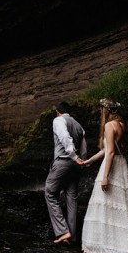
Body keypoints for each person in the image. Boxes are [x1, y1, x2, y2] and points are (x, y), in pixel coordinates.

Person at [78, 98, 128, 253]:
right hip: (121, 165)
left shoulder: (108, 125)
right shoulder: (120, 124)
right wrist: (90, 160)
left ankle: (108, 245)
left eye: (102, 110)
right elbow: (109, 149)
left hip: (112, 167)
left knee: (105, 203)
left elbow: (110, 152)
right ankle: (119, 242)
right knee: (121, 206)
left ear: (106, 110)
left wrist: (105, 176)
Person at [45, 101, 87, 245]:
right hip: (76, 166)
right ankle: (72, 237)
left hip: (63, 161)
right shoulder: (79, 125)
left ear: (58, 112)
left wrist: (73, 156)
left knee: (50, 193)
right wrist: (80, 161)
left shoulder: (58, 120)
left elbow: (64, 137)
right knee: (72, 199)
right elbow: (84, 149)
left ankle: (63, 231)